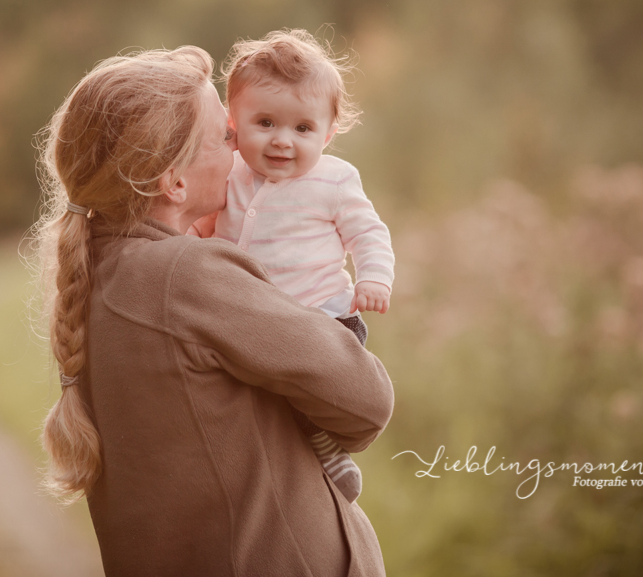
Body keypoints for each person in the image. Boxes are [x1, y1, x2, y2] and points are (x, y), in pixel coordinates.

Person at [34, 45, 395, 576]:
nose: (243, 150)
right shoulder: (185, 275)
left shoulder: (99, 273)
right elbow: (367, 401)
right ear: (174, 182)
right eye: (227, 136)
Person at [190, 29, 395, 504]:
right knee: (250, 394)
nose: (283, 141)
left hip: (322, 316)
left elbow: (368, 232)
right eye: (265, 122)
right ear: (232, 122)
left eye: (302, 129)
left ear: (328, 133)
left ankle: (326, 448)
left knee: (307, 393)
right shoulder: (231, 173)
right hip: (252, 317)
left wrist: (374, 277)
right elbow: (205, 225)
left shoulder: (335, 180)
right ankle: (265, 470)